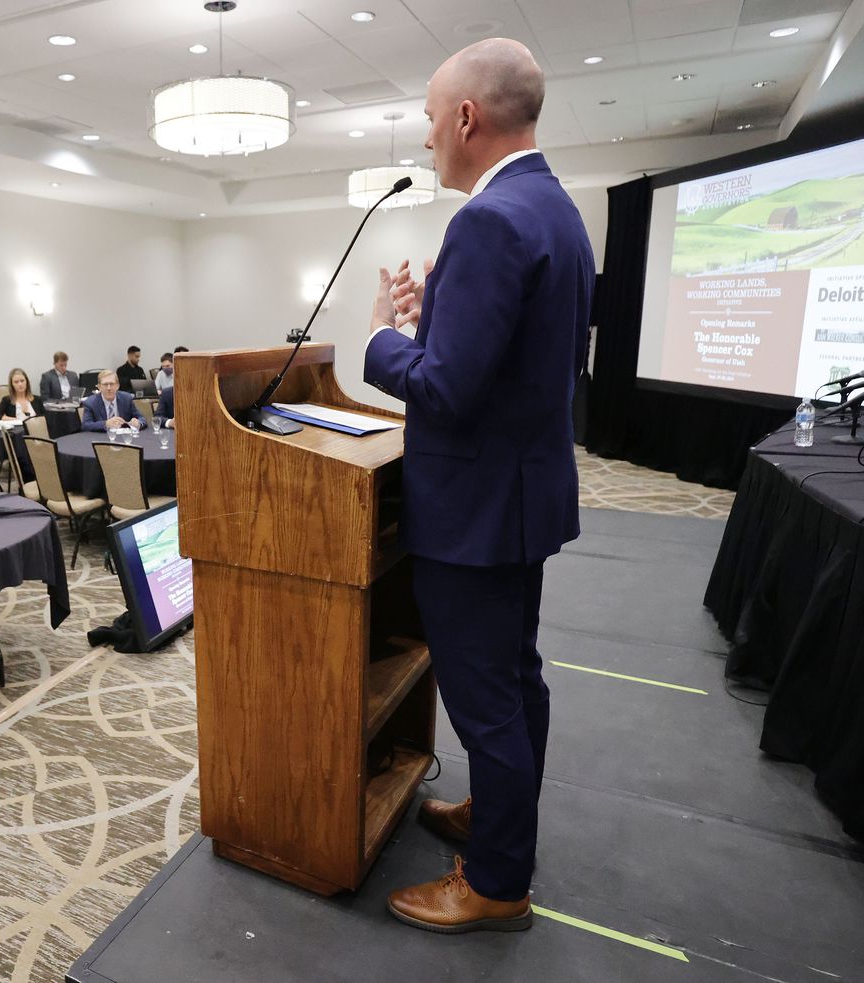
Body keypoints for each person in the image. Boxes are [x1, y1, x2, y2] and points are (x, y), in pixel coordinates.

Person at [365, 39, 594, 935]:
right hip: (522, 497)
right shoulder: (554, 207)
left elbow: (450, 394)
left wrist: (386, 337)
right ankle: (503, 818)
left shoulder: (489, 220)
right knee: (518, 680)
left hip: (474, 512)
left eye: (429, 120)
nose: (427, 140)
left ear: (466, 118)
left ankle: (497, 879)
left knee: (485, 695)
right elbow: (507, 362)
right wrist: (441, 326)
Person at [81, 371, 145, 432]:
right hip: (102, 438)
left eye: (111, 384)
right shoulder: (90, 403)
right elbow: (86, 425)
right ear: (99, 387)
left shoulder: (127, 399)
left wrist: (138, 423)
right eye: (105, 384)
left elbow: (142, 418)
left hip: (124, 437)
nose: (109, 388)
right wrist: (106, 424)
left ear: (117, 386)